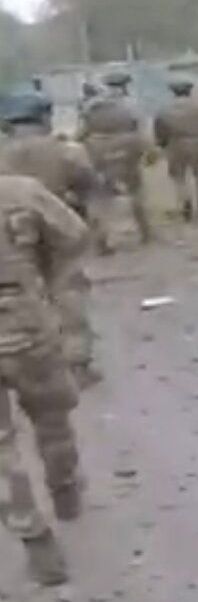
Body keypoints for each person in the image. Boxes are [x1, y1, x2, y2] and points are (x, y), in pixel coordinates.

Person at [0, 173, 92, 587]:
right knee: (52, 418)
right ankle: (64, 485)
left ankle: (35, 537)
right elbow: (73, 235)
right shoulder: (20, 191)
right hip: (27, 330)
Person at [0, 96, 103, 389]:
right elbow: (88, 184)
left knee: (20, 296)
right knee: (69, 292)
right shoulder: (67, 150)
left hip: (13, 236)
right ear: (45, 119)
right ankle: (77, 363)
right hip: (58, 228)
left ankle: (24, 359)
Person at [81, 71, 151, 247]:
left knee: (99, 195)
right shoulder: (131, 104)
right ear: (126, 86)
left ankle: (101, 239)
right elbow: (141, 129)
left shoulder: (91, 105)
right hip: (127, 147)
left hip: (98, 149)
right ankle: (145, 232)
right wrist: (148, 150)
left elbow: (81, 131)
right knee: (135, 190)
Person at [154, 78, 198, 223]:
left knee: (179, 177)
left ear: (173, 93)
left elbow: (159, 130)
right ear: (190, 91)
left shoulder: (164, 109)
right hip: (197, 143)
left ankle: (185, 201)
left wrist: (162, 144)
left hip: (175, 144)